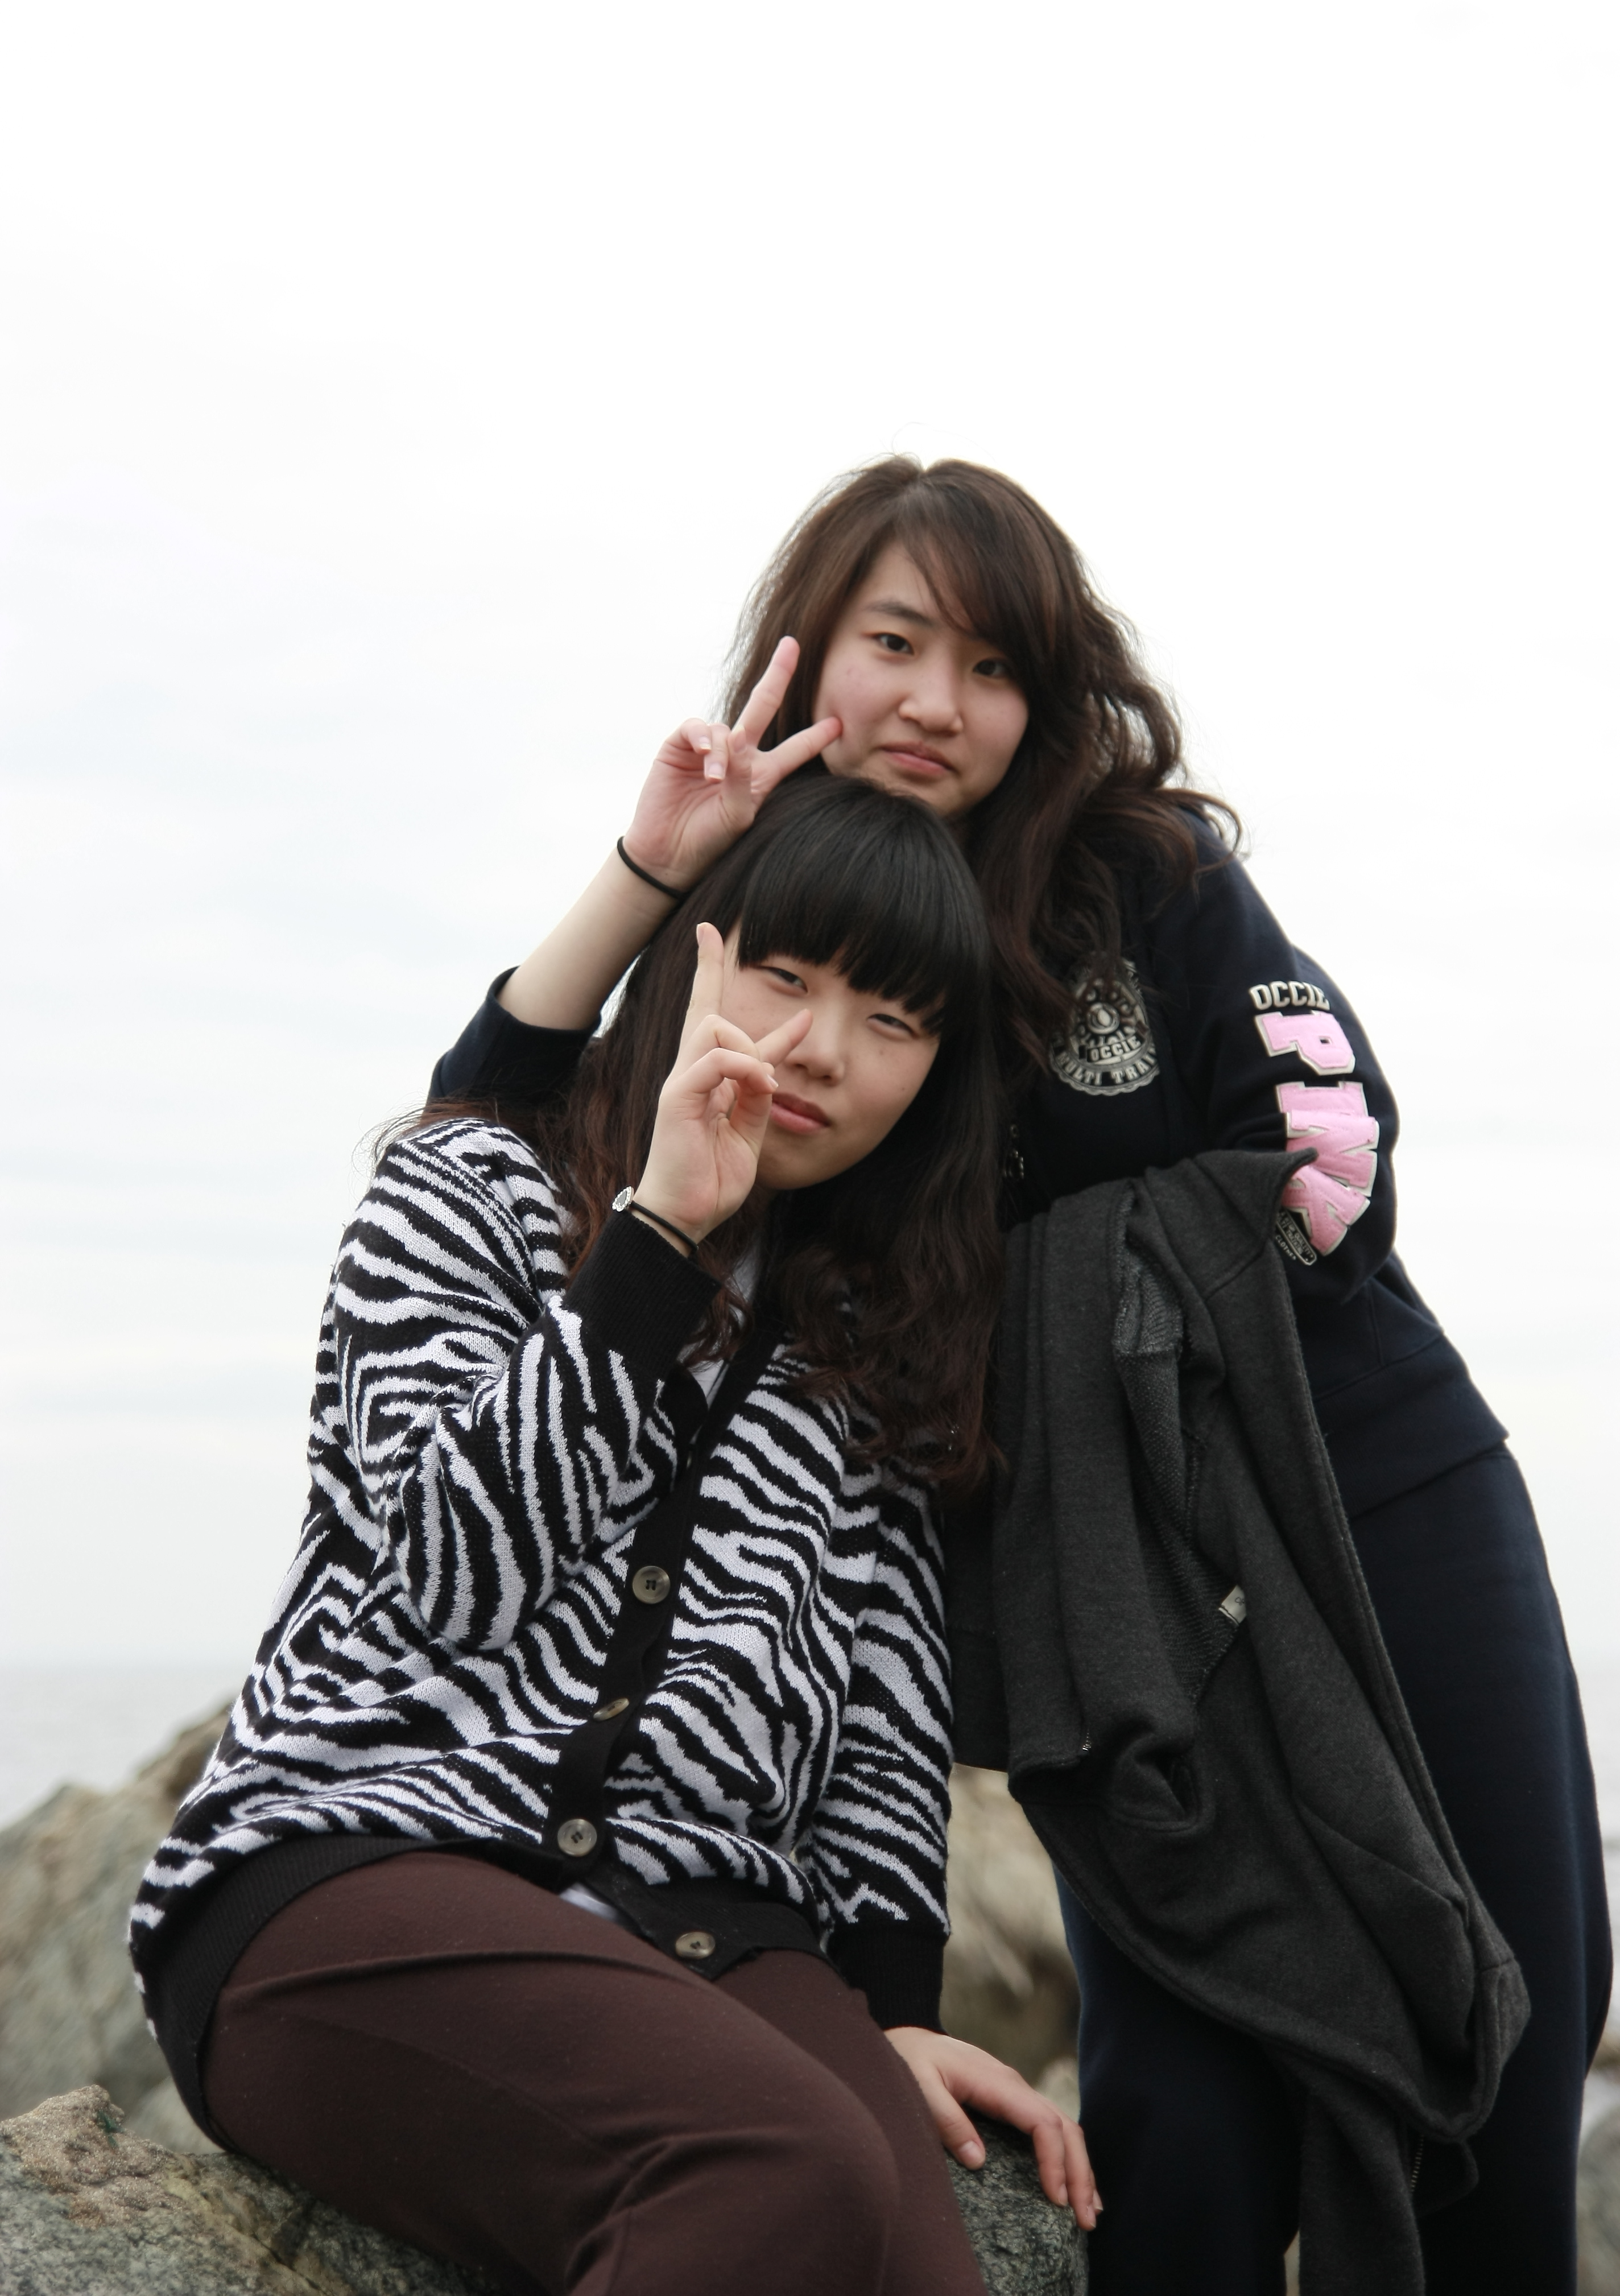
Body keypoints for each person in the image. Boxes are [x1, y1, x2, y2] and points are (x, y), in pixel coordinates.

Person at [427, 456, 1611, 2296]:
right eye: (896, 642)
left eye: (993, 668)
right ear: (809, 647)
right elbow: (498, 1116)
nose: (938, 702)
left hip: (1368, 1477)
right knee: (1183, 2111)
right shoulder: (774, 896)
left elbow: (1331, 1143)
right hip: (1094, 1584)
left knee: (1512, 2012)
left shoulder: (1146, 875)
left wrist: (1108, 1315)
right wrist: (656, 865)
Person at [129, 775, 1099, 2296]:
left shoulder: (876, 1341)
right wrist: (656, 1240)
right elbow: (447, 1576)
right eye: (785, 974)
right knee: (775, 2164)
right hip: (355, 1863)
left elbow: (882, 1712)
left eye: (894, 1022)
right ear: (686, 955)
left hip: (705, 1926)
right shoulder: (468, 1189)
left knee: (913, 2261)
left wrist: (893, 2013)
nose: (821, 1048)